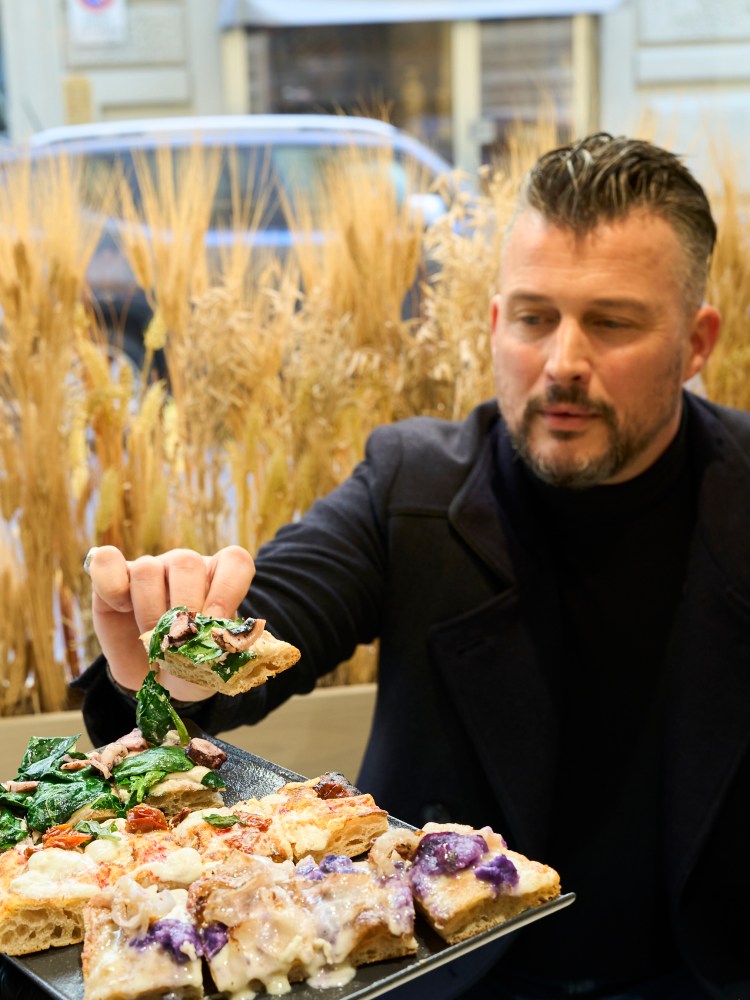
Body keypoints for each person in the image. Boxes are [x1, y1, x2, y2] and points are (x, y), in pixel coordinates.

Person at [73, 132, 750, 999]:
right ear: (498, 323)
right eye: (535, 318)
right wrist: (182, 664)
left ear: (697, 343)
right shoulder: (414, 486)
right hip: (440, 978)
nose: (564, 362)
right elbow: (276, 613)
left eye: (613, 322)